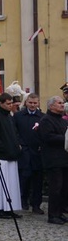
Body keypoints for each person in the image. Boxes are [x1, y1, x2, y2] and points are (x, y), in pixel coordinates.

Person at [0, 93, 22, 218]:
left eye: (11, 103)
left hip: (12, 155)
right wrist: (3, 148)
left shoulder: (10, 117)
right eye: (8, 103)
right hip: (0, 157)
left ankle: (9, 208)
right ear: (1, 103)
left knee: (11, 184)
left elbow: (15, 134)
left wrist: (17, 146)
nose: (10, 106)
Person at [37, 96, 68, 224]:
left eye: (62, 103)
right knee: (56, 187)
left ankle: (60, 212)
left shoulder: (63, 120)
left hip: (64, 159)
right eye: (59, 103)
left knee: (64, 188)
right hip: (53, 159)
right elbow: (48, 137)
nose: (62, 105)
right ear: (51, 106)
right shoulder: (46, 120)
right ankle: (53, 214)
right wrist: (65, 139)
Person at [14, 93, 43, 214]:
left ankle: (36, 204)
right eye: (30, 103)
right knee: (24, 177)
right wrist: (19, 144)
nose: (32, 105)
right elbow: (14, 132)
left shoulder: (42, 117)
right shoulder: (18, 116)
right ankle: (23, 199)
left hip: (37, 152)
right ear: (26, 103)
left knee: (38, 180)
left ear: (38, 103)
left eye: (35, 103)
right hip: (24, 151)